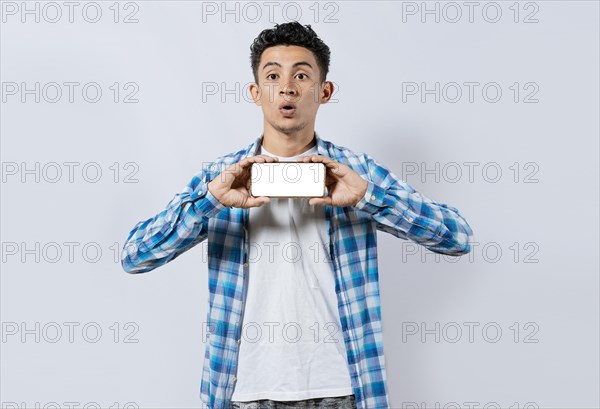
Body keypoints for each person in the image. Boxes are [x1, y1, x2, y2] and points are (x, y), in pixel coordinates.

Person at [121, 21, 474, 409]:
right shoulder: (223, 176)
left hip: (342, 389)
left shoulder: (355, 170)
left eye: (301, 75)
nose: (286, 87)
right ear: (256, 93)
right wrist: (209, 201)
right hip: (243, 393)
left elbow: (457, 237)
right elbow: (135, 256)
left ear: (324, 92)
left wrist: (370, 197)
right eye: (272, 75)